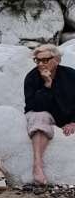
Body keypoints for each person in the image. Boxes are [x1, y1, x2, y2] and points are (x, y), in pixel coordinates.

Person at [24, 43, 75, 186]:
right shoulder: (32, 78)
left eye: (45, 60)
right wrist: (47, 84)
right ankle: (37, 166)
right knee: (40, 117)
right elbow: (35, 107)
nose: (41, 64)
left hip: (68, 116)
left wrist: (73, 122)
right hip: (42, 114)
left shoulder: (71, 75)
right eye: (37, 60)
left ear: (57, 60)